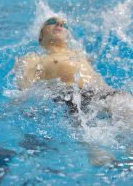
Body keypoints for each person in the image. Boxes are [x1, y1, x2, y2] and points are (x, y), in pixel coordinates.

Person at [13, 16, 133, 165]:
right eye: (52, 22)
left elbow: (97, 79)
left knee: (126, 101)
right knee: (77, 117)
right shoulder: (34, 58)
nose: (59, 24)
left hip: (98, 91)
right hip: (68, 93)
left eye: (64, 24)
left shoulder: (79, 54)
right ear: (41, 34)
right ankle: (95, 152)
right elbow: (25, 89)